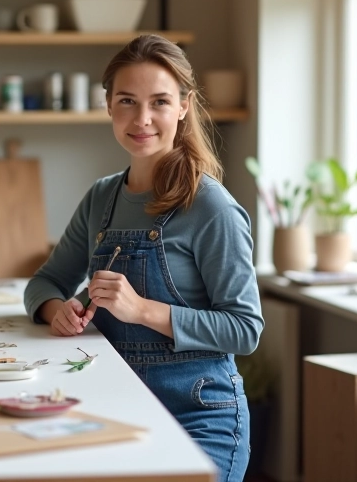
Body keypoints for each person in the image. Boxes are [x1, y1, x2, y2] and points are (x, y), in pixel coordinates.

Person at [24, 34, 264, 482]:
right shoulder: (102, 197)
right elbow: (45, 281)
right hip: (113, 408)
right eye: (128, 101)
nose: (143, 119)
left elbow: (245, 329)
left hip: (200, 415)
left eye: (159, 102)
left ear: (184, 106)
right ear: (109, 105)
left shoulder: (211, 206)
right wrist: (56, 310)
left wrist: (142, 310)